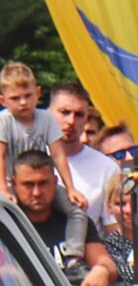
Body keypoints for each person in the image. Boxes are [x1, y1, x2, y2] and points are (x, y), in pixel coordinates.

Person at [10, 149, 116, 286]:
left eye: (43, 183)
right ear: (14, 184)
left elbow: (107, 263)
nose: (37, 192)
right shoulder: (2, 222)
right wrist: (11, 272)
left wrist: (102, 270)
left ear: (55, 182)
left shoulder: (77, 223)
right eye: (28, 185)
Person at [0, 61, 82, 206]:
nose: (23, 102)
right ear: (2, 100)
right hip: (8, 182)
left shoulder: (46, 118)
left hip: (40, 181)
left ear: (38, 93)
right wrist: (3, 190)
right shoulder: (2, 121)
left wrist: (70, 188)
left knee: (70, 205)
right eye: (15, 98)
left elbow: (58, 155)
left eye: (28, 96)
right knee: (8, 210)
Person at [50, 82, 117, 222]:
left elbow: (113, 226)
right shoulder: (26, 156)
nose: (71, 121)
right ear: (48, 112)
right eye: (64, 112)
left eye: (79, 115)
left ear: (87, 118)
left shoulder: (107, 167)